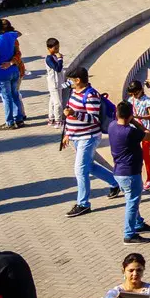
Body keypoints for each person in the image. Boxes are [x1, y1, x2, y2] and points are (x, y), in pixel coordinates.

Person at [61, 66, 121, 216]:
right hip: (76, 136)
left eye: (71, 81)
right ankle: (116, 183)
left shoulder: (91, 96)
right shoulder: (74, 91)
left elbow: (93, 119)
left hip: (88, 137)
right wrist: (67, 133)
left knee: (80, 170)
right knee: (90, 166)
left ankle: (83, 203)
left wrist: (75, 113)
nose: (69, 84)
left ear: (78, 80)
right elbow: (69, 114)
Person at [105, 100, 148, 244]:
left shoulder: (112, 126)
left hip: (119, 171)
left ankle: (138, 224)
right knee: (132, 202)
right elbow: (148, 135)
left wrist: (130, 119)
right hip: (130, 172)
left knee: (131, 198)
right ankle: (129, 234)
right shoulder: (130, 131)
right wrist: (135, 121)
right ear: (130, 115)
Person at [0, 18, 26, 130]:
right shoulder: (11, 35)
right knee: (15, 94)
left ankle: (10, 122)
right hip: (14, 71)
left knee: (6, 97)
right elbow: (19, 33)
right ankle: (19, 119)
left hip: (1, 73)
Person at [127, 78, 150, 188]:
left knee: (146, 155)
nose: (134, 95)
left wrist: (138, 117)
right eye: (132, 93)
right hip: (135, 129)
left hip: (146, 130)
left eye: (136, 93)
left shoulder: (147, 101)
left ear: (141, 90)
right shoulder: (131, 100)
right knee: (135, 155)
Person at [42, 38, 68, 135]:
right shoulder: (49, 58)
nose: (57, 50)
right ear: (49, 48)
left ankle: (51, 118)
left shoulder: (55, 57)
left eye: (58, 48)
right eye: (55, 48)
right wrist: (60, 59)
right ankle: (58, 121)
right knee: (58, 103)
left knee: (52, 101)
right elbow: (57, 68)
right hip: (54, 84)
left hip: (59, 83)